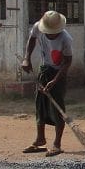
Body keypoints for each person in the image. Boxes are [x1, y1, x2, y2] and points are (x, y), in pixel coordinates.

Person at [20, 10, 73, 156]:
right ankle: (40, 139)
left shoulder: (65, 39)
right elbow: (32, 40)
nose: (50, 35)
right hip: (44, 69)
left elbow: (67, 62)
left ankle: (57, 144)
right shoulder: (38, 27)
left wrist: (55, 80)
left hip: (58, 73)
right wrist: (26, 58)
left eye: (52, 33)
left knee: (57, 108)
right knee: (40, 104)